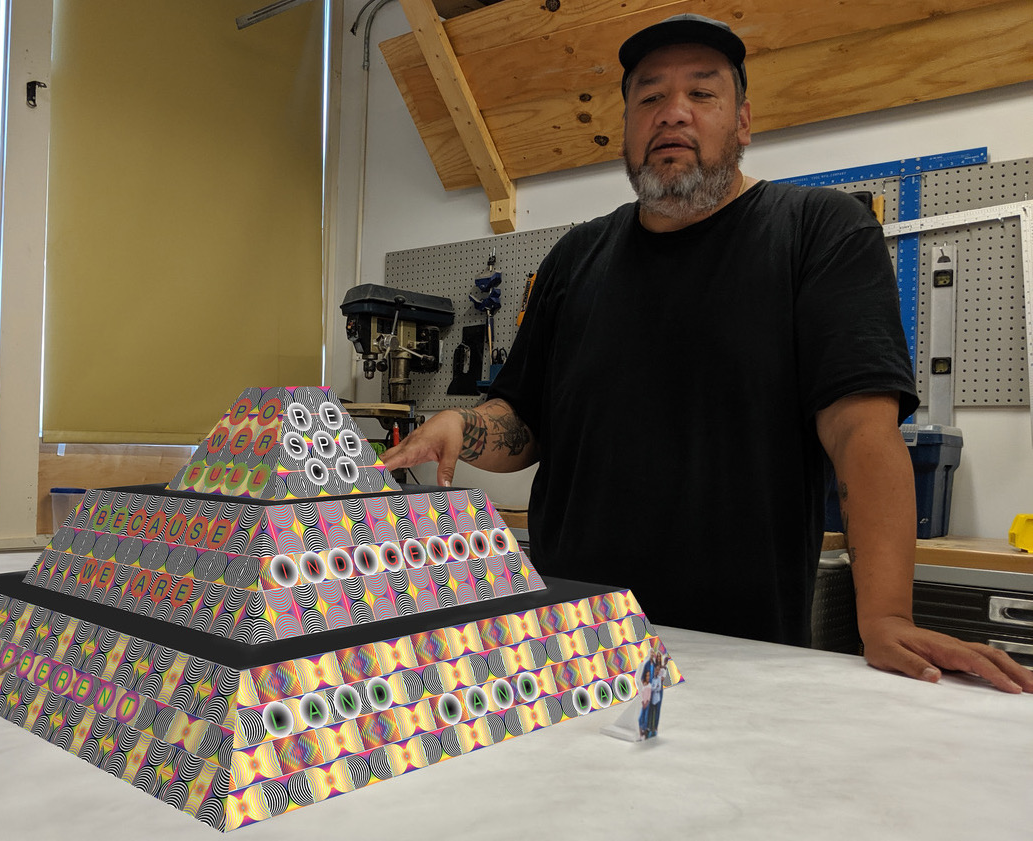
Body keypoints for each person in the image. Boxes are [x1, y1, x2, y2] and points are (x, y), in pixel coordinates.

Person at [382, 14, 1033, 694]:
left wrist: (886, 614)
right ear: (627, 127)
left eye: (701, 93)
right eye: (649, 97)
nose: (672, 113)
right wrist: (467, 427)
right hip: (570, 640)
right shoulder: (576, 257)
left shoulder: (818, 232)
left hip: (739, 655)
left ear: (742, 121)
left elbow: (859, 432)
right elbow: (526, 423)